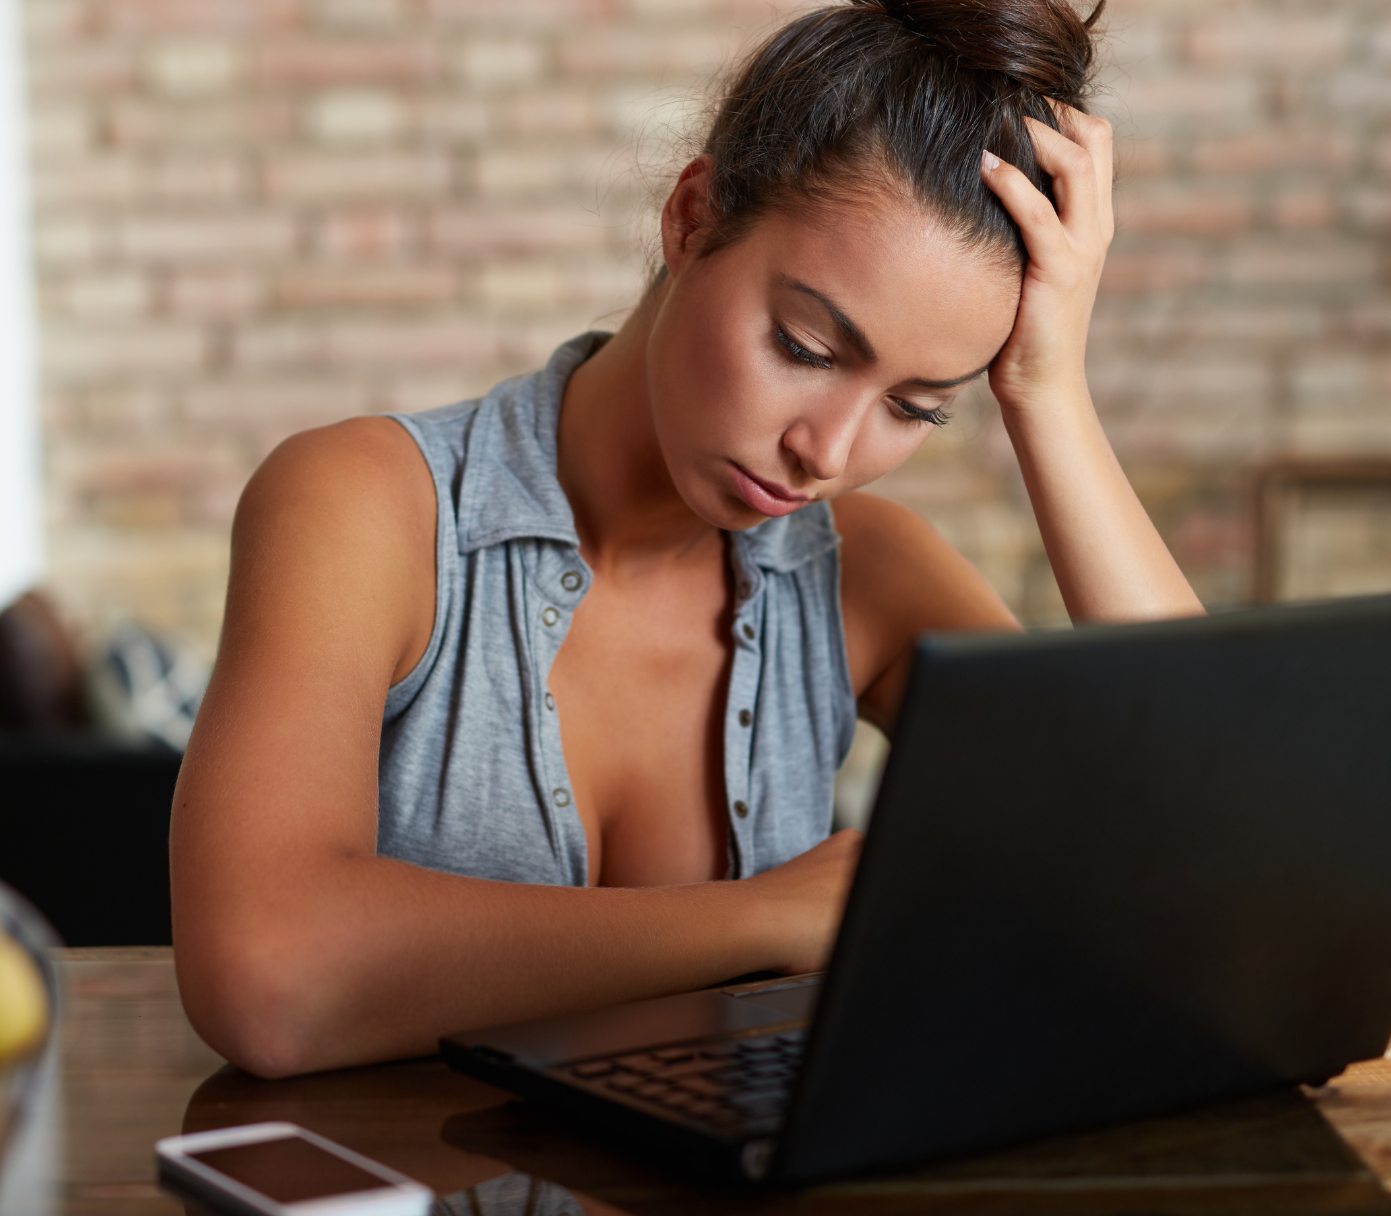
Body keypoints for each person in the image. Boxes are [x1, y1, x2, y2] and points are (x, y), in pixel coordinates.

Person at [171, 0, 1203, 1078]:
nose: (825, 450)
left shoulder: (867, 578)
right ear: (693, 217)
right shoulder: (364, 510)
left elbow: (1198, 836)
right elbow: (264, 978)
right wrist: (764, 918)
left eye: (915, 407)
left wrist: (1047, 389)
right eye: (804, 345)